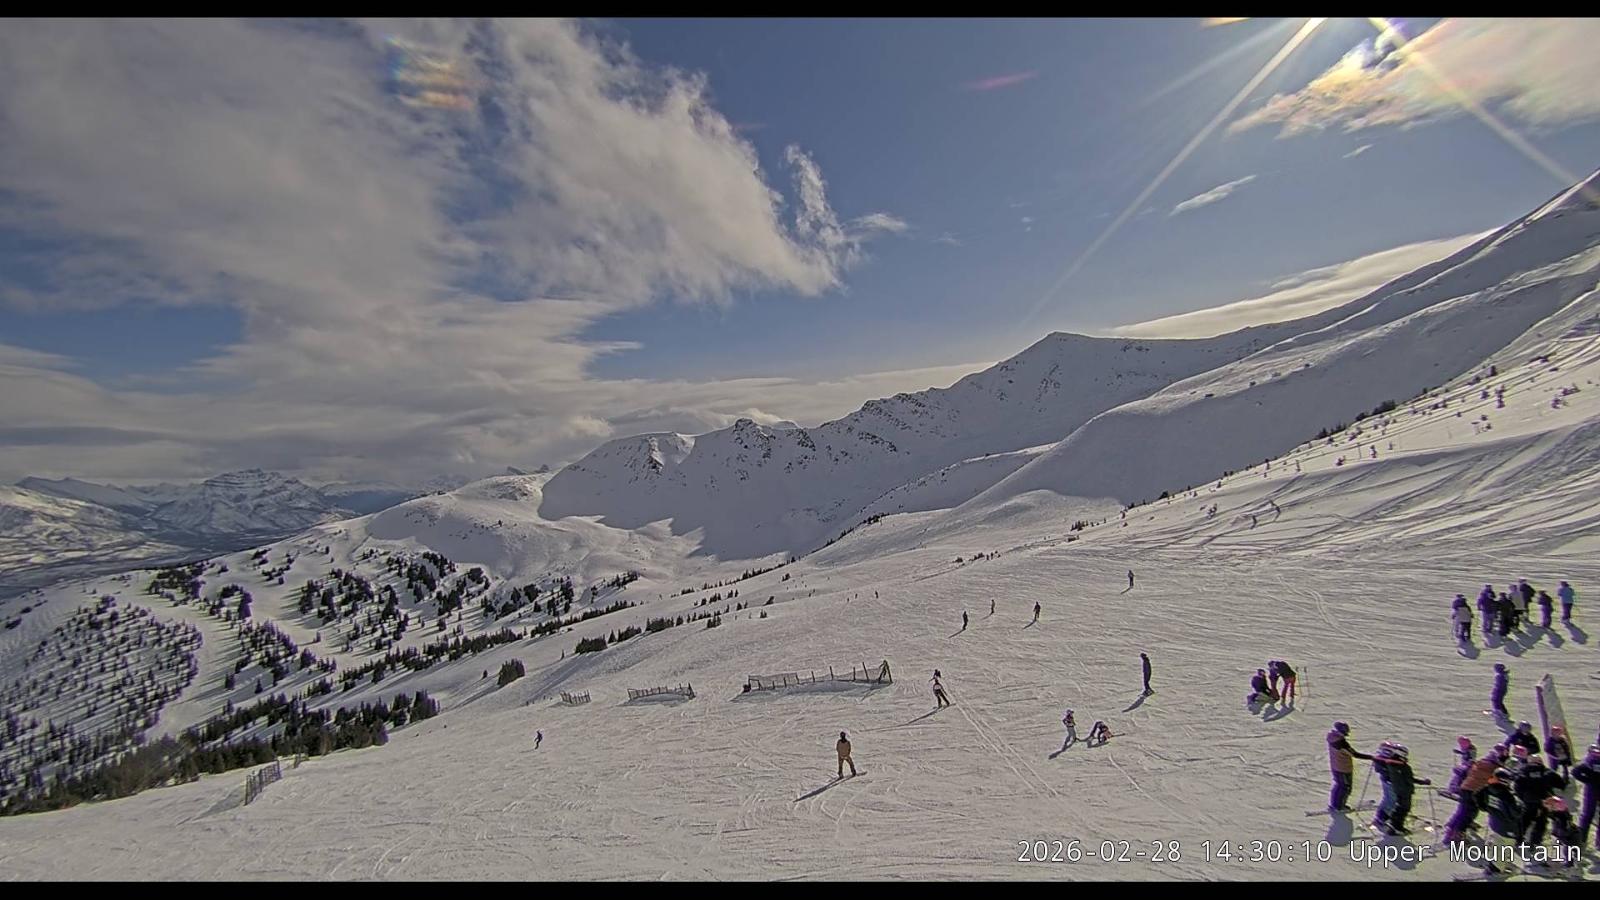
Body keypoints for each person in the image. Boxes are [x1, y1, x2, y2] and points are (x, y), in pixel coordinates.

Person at [1327, 721, 1374, 812]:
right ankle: (1339, 807)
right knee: (1345, 787)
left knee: (1339, 785)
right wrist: (1371, 757)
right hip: (1343, 768)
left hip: (1336, 766)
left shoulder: (1332, 738)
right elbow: (1354, 754)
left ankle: (1335, 804)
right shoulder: (1341, 743)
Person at [1571, 744, 1600, 849]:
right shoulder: (1588, 762)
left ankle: (1598, 843)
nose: (1597, 753)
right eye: (1594, 751)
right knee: (1587, 815)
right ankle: (1581, 840)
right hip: (1591, 791)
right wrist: (1587, 781)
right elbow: (1575, 772)